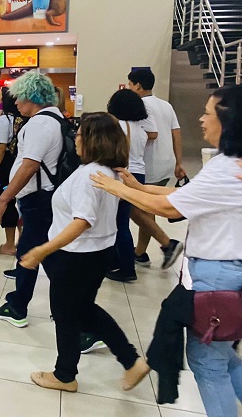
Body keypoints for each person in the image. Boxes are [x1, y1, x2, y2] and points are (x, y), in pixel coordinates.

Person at [92, 85, 242, 417]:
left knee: (208, 362)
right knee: (223, 355)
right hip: (221, 271)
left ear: (229, 121)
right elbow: (185, 198)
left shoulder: (226, 169)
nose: (201, 120)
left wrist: (116, 187)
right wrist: (135, 185)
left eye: (208, 113)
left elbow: (169, 208)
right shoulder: (230, 163)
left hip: (218, 276)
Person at [20, 112, 150, 393]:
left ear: (92, 140)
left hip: (75, 256)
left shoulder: (89, 176)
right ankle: (130, 361)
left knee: (66, 316)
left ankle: (64, 375)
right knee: (84, 311)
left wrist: (42, 250)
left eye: (79, 135)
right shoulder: (108, 172)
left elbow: (82, 221)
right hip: (97, 252)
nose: (75, 140)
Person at [0, 72, 63, 328]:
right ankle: (68, 312)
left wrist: (3, 200)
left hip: (39, 200)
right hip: (45, 198)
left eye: (20, 97)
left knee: (30, 254)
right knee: (44, 255)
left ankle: (19, 307)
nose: (16, 102)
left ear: (33, 96)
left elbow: (29, 166)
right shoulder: (56, 119)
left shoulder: (39, 124)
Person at [127, 69, 184, 269]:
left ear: (137, 85)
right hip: (166, 163)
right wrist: (178, 162)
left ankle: (167, 244)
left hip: (147, 165)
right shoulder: (165, 105)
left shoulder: (139, 105)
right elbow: (176, 133)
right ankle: (140, 253)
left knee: (134, 206)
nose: (128, 88)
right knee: (147, 208)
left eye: (129, 84)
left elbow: (143, 134)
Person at [104, 88, 158, 283]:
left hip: (123, 175)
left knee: (119, 224)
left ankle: (125, 267)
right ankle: (119, 262)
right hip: (138, 174)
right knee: (122, 221)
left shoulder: (118, 126)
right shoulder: (140, 130)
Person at [0, 87, 24, 256]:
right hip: (18, 162)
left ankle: (9, 244)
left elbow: (1, 148)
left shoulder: (4, 121)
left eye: (0, 95)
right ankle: (21, 239)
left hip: (5, 165)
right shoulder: (22, 119)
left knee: (7, 200)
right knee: (18, 200)